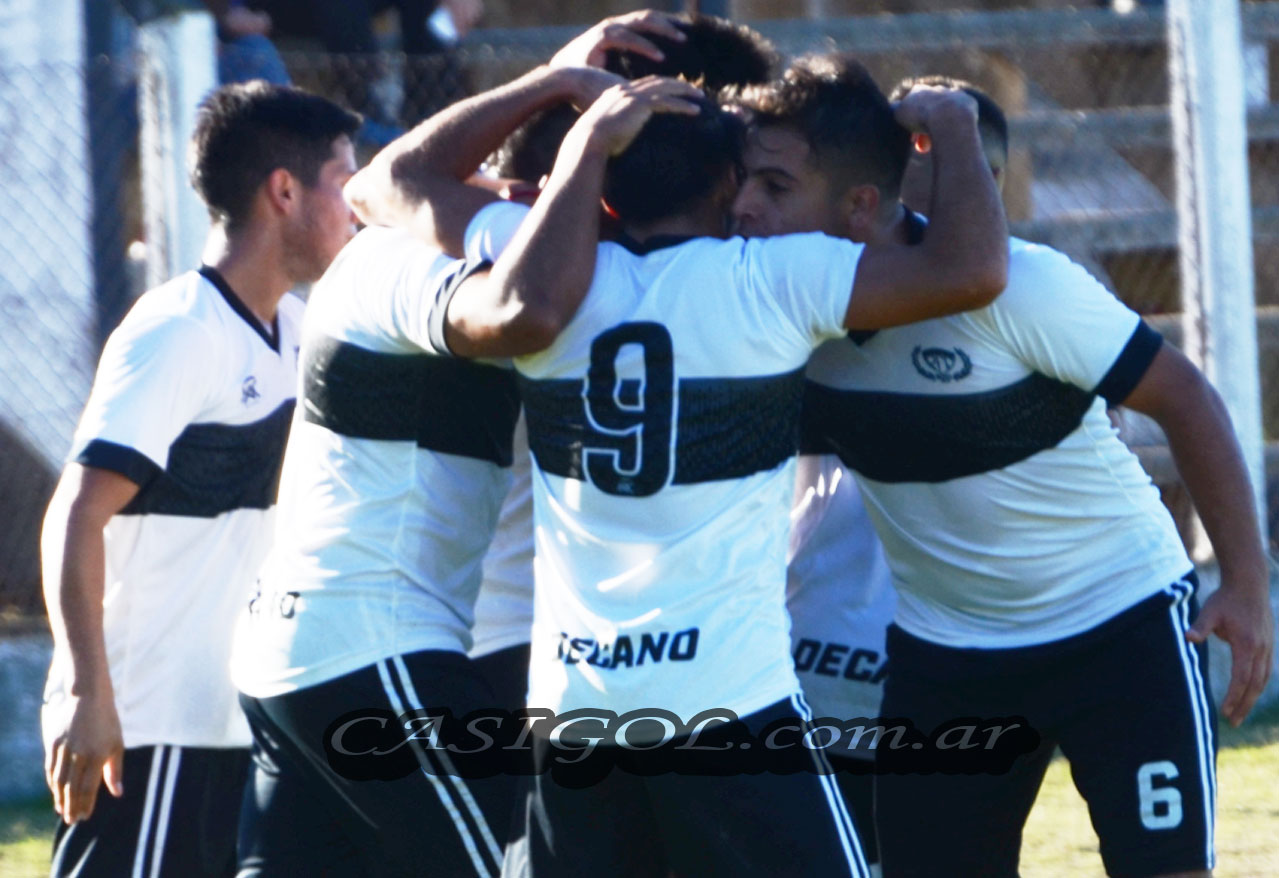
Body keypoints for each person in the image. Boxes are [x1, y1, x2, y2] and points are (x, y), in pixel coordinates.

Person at [411, 65, 1006, 872]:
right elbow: (970, 270)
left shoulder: (543, 277)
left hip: (576, 709)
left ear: (603, 195)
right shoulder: (767, 280)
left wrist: (582, 134)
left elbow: (397, 182)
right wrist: (956, 124)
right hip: (728, 703)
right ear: (727, 184)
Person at [731, 59, 1275, 878]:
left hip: (1118, 626)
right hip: (946, 654)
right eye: (743, 181)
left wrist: (1244, 581)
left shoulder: (1025, 287)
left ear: (859, 205)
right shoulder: (773, 319)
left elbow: (1184, 397)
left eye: (774, 186)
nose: (743, 207)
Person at [230, 54, 630, 877]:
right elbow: (521, 311)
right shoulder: (418, 259)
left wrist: (561, 81)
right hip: (369, 647)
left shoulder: (401, 245)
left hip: (298, 648)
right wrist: (560, 107)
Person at [40, 81, 359, 878]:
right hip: (149, 729)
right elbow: (75, 514)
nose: (357, 208)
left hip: (240, 721)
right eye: (345, 182)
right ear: (284, 192)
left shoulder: (302, 329)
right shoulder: (178, 330)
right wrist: (87, 695)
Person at [469, 7, 782, 723]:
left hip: (553, 645)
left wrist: (550, 84)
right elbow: (382, 184)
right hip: (536, 632)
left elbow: (391, 182)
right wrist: (553, 86)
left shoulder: (528, 232)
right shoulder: (561, 246)